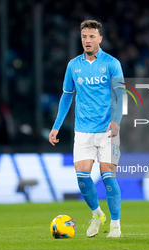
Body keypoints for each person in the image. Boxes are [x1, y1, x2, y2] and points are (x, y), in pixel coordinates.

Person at [49, 20, 125, 238]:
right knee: (82, 178)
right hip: (83, 131)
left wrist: (117, 121)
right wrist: (56, 126)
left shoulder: (111, 63)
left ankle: (116, 225)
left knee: (108, 177)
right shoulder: (73, 65)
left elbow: (121, 95)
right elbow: (66, 96)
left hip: (107, 130)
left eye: (92, 36)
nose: (88, 40)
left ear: (100, 39)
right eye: (84, 37)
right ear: (80, 39)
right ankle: (97, 214)